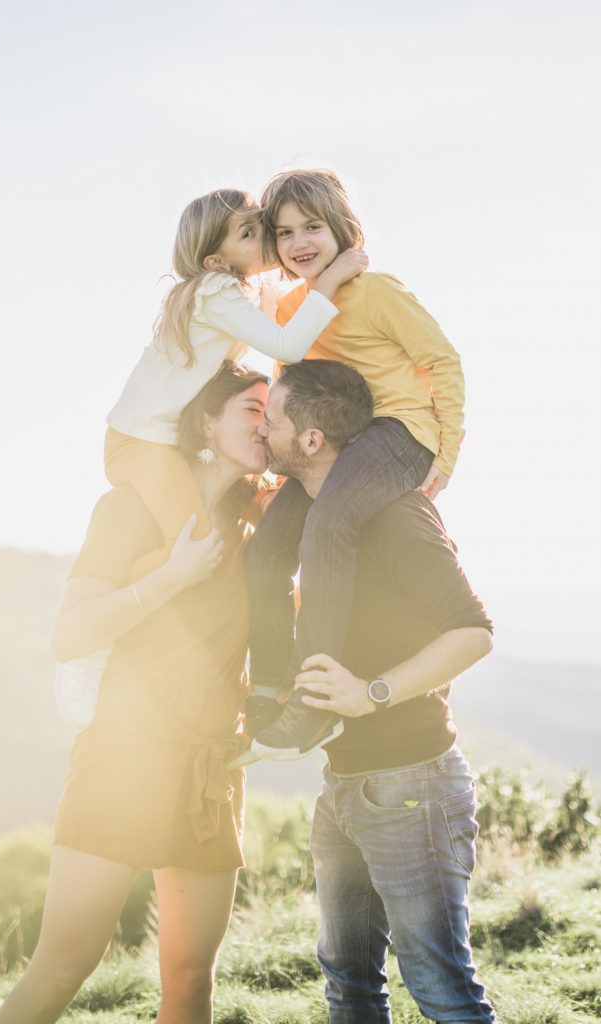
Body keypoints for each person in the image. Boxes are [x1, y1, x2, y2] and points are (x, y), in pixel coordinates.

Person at [0, 362, 270, 1024]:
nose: (267, 426)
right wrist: (172, 577)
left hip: (212, 769)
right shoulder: (129, 509)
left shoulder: (258, 523)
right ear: (206, 421)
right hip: (123, 759)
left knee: (189, 976)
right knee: (63, 964)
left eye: (273, 413)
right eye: (251, 412)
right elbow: (70, 634)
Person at [247, 359, 496, 1023]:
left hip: (411, 788)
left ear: (309, 440)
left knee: (442, 989)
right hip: (344, 785)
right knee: (349, 985)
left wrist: (371, 692)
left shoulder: (395, 516)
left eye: (269, 420)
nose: (259, 434)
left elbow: (472, 633)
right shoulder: (312, 520)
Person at [245, 168, 466, 759]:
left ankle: (314, 705)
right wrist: (280, 467)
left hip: (397, 430)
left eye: (312, 226)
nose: (300, 243)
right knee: (266, 549)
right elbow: (285, 384)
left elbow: (442, 361)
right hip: (340, 447)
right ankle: (269, 685)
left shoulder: (379, 291)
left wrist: (447, 450)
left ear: (341, 226)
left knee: (329, 526)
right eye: (285, 232)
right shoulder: (297, 307)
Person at [106, 187, 367, 578]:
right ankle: (111, 590)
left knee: (249, 516)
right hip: (141, 443)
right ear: (215, 260)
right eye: (246, 234)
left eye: (261, 226)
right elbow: (290, 344)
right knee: (195, 547)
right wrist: (333, 276)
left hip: (173, 441)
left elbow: (298, 306)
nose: (262, 237)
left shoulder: (249, 289)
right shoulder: (215, 291)